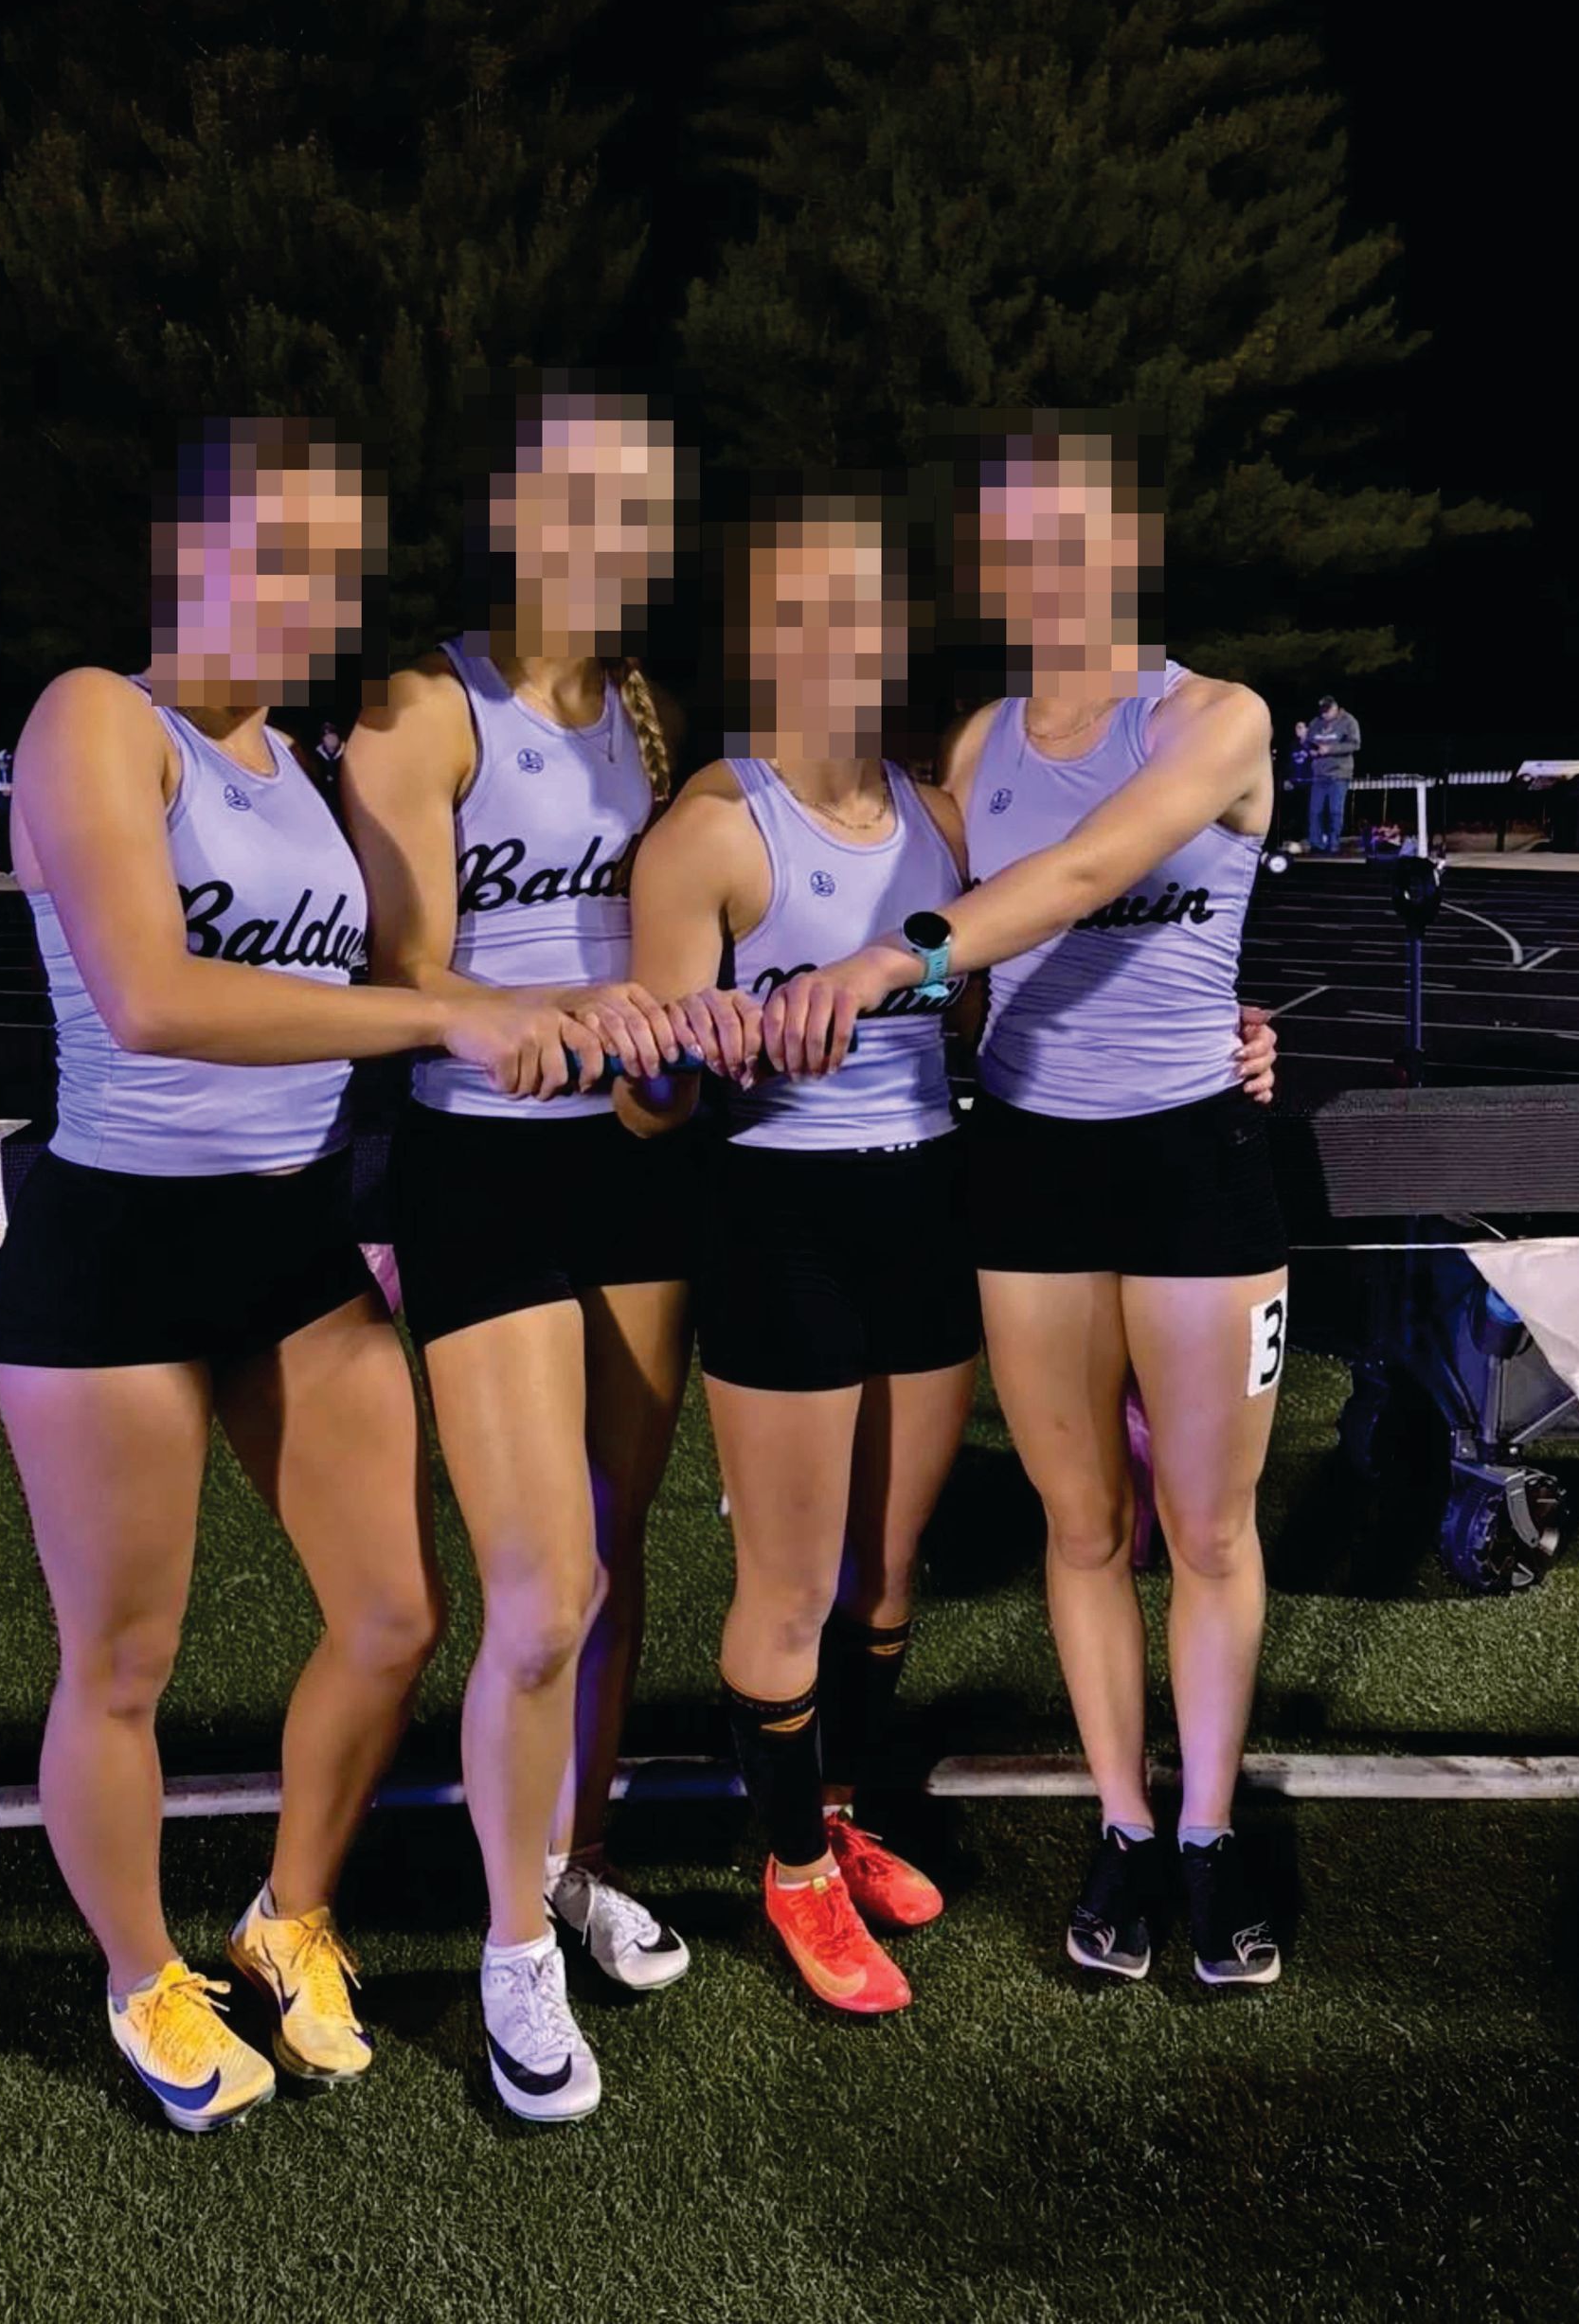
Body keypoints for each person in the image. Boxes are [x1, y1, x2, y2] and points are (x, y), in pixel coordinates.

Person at [0, 416, 600, 2134]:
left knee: (395, 1616)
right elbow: (153, 998)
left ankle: (288, 1912)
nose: (312, 590)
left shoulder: (292, 763)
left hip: (294, 1244)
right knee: (123, 1664)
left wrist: (566, 1010)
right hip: (115, 1252)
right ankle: (141, 1976)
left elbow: (406, 964)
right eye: (278, 548)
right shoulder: (97, 718)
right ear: (186, 548)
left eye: (338, 563)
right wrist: (438, 1020)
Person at [762, 414, 1287, 1990]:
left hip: (1196, 1164)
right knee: (1082, 1523)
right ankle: (1125, 1825)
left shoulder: (1219, 717)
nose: (1043, 566)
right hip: (1032, 1167)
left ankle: (1211, 1834)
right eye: (1013, 541)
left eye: (1073, 534)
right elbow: (971, 963)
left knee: (1208, 1528)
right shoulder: (983, 746)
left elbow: (1074, 880)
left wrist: (890, 960)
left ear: (1129, 547)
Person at [342, 376, 696, 2123]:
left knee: (615, 1560)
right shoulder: (426, 708)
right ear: (513, 515)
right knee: (542, 1591)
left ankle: (573, 1863)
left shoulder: (643, 710)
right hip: (481, 1170)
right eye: (581, 501)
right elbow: (401, 979)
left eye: (642, 506)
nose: (611, 537)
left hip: (630, 1168)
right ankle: (508, 1955)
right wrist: (553, 1019)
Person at [620, 481, 979, 2015]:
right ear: (757, 631)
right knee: (787, 1584)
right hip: (781, 1216)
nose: (837, 637)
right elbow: (643, 1106)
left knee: (886, 1575)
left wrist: (1237, 1034)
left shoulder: (939, 818)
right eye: (800, 609)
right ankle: (790, 1868)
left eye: (862, 606)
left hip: (930, 1200)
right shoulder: (713, 829)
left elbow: (981, 997)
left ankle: (833, 1813)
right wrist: (686, 1051)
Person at [1304, 693, 1361, 854]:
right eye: (1322, 711)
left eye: (1327, 711)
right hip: (1319, 774)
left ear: (1335, 708)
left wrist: (1331, 749)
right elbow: (1309, 742)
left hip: (1339, 773)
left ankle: (1333, 842)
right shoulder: (1315, 722)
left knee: (1335, 811)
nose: (1324, 714)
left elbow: (1355, 744)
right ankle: (1316, 843)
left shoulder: (1349, 721)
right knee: (1315, 811)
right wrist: (1311, 750)